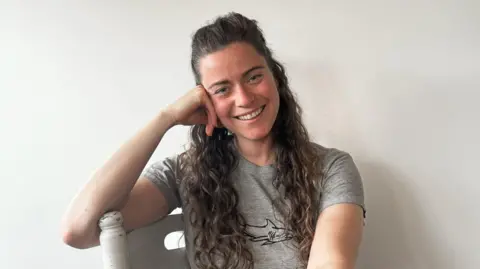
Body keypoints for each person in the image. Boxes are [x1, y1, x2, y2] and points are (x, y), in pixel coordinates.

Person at [61, 12, 366, 269]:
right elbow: (78, 231)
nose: (244, 99)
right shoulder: (185, 173)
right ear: (203, 100)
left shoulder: (331, 169)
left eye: (254, 77)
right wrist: (165, 118)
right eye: (222, 89)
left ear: (276, 76)